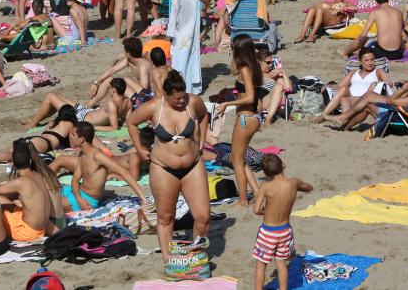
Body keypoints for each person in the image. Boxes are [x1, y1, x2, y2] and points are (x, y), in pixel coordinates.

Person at [127, 71, 210, 262]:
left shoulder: (193, 102)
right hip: (163, 168)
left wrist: (202, 141)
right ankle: (169, 261)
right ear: (166, 94)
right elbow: (131, 122)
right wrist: (140, 148)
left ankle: (196, 257)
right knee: (166, 218)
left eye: (183, 97)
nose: (181, 102)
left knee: (203, 216)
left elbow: (204, 115)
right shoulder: (154, 107)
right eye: (177, 99)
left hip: (193, 165)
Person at [217, 35, 266, 207]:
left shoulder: (246, 69)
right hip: (252, 117)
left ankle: (243, 200)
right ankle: (258, 192)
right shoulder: (254, 67)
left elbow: (250, 97)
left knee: (236, 161)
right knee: (240, 158)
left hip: (246, 118)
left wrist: (228, 103)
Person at [252, 155, 313, 290]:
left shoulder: (265, 186)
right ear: (283, 165)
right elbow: (308, 187)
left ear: (265, 173)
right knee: (281, 263)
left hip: (268, 231)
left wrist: (266, 211)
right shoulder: (293, 183)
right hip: (285, 231)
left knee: (261, 263)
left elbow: (256, 210)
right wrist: (305, 187)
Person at [161, 0, 213, 94]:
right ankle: (177, 82)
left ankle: (186, 85)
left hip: (191, 20)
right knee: (176, 50)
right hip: (178, 19)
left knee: (187, 50)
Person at [62, 122, 147, 212]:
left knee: (51, 206)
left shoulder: (97, 155)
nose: (70, 137)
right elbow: (75, 180)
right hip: (78, 193)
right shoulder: (83, 154)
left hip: (88, 200)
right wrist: (78, 198)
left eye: (73, 134)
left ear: (82, 139)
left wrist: (142, 198)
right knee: (50, 193)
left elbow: (124, 172)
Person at [0, 139, 61, 241]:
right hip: (44, 228)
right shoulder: (38, 175)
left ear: (13, 163)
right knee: (8, 201)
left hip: (26, 233)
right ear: (30, 161)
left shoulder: (20, 182)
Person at [331, 69, 408, 130]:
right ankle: (344, 125)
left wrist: (403, 89)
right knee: (368, 98)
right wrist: (407, 91)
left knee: (368, 99)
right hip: (403, 113)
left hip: (397, 118)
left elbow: (390, 102)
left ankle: (343, 120)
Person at [25, 78, 132, 132]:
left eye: (110, 88)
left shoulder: (111, 104)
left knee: (50, 97)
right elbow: (128, 122)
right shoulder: (128, 102)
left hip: (81, 118)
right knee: (56, 96)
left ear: (113, 90)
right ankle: (36, 120)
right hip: (86, 112)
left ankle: (33, 124)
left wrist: (93, 127)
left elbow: (114, 127)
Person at [316, 49, 390, 123]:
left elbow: (389, 84)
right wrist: (329, 85)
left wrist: (376, 83)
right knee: (344, 89)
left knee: (344, 99)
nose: (370, 63)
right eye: (366, 60)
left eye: (372, 60)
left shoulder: (378, 71)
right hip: (351, 100)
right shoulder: (353, 73)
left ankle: (323, 117)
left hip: (365, 101)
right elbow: (340, 86)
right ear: (360, 61)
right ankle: (326, 115)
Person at [338, 0, 405, 60]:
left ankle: (345, 52)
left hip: (382, 53)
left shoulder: (375, 13)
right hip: (398, 53)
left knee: (362, 38)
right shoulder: (398, 12)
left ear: (376, 2)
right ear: (388, 0)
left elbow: (363, 35)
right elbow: (402, 28)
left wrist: (360, 45)